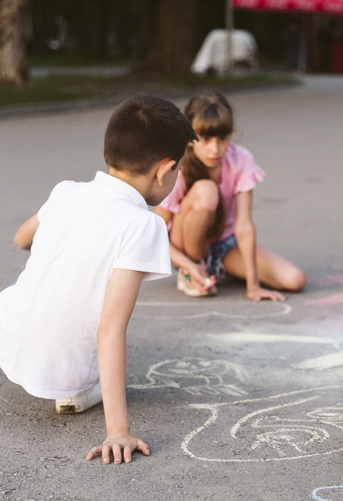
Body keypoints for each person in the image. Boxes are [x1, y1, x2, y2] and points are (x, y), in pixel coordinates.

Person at [0, 95, 197, 464]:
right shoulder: (143, 224)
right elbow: (110, 326)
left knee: (23, 285)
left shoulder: (67, 191)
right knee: (101, 315)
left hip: (9, 345)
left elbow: (21, 239)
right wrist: (117, 430)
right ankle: (76, 389)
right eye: (179, 169)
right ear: (163, 170)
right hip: (62, 376)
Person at [155, 93, 306, 301]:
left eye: (223, 139)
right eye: (205, 139)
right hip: (186, 247)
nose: (215, 149)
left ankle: (218, 268)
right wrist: (187, 264)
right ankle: (193, 271)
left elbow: (244, 226)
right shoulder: (179, 168)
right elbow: (155, 233)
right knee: (207, 190)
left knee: (295, 280)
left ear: (231, 134)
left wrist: (253, 286)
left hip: (226, 245)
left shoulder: (240, 159)